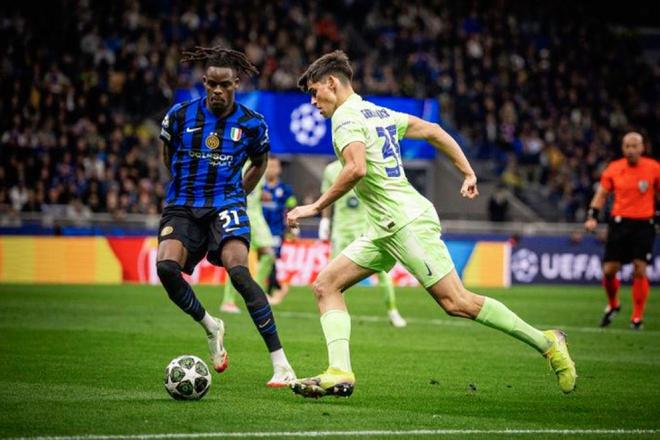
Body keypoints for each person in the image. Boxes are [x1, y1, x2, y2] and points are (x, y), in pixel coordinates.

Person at [286, 50, 575, 398]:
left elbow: (356, 168)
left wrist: (315, 206)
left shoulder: (345, 117)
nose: (313, 101)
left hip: (405, 221)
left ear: (332, 83)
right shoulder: (378, 111)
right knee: (326, 285)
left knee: (457, 302)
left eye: (314, 91)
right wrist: (467, 171)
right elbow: (434, 131)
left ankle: (547, 341)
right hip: (384, 226)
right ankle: (339, 372)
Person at [156, 46, 295, 387]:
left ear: (236, 83)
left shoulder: (251, 123)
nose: (218, 90)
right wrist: (187, 186)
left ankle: (281, 364)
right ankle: (210, 325)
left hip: (227, 205)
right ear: (205, 82)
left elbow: (260, 163)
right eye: (212, 84)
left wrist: (237, 194)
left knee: (240, 273)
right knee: (166, 268)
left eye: (225, 85)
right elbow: (167, 155)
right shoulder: (179, 116)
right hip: (184, 204)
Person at [584, 132, 659, 330]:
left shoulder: (653, 168)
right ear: (622, 148)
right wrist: (592, 216)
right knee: (609, 271)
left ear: (642, 147)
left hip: (644, 224)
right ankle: (613, 304)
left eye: (634, 146)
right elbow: (602, 194)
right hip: (619, 224)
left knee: (639, 269)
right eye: (627, 146)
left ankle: (637, 317)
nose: (631, 150)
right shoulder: (614, 168)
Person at [320, 159, 407, 327]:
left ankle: (393, 311)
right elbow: (326, 197)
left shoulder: (366, 164)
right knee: (332, 278)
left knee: (382, 273)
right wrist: (325, 221)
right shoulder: (330, 170)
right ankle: (338, 316)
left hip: (366, 230)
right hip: (341, 231)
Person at [220, 168, 277, 313]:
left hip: (257, 218)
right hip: (240, 215)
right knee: (236, 260)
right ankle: (228, 301)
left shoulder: (260, 165)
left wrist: (262, 195)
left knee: (269, 255)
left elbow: (253, 192)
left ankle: (256, 293)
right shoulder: (238, 164)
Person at [261, 157, 298, 305]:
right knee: (262, 261)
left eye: (274, 166)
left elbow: (292, 208)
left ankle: (269, 292)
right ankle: (278, 287)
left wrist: (293, 228)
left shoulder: (285, 190)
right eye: (268, 166)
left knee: (271, 259)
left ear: (279, 169)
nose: (271, 169)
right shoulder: (259, 187)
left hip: (276, 230)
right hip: (260, 230)